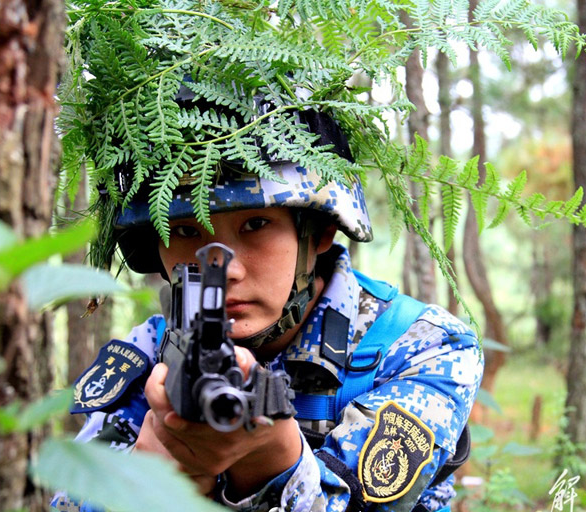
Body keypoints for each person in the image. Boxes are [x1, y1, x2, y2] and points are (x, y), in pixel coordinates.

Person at [52, 100, 483, 512]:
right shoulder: (152, 351)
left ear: (319, 233)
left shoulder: (423, 347)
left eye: (256, 224)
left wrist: (271, 463)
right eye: (184, 230)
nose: (226, 268)